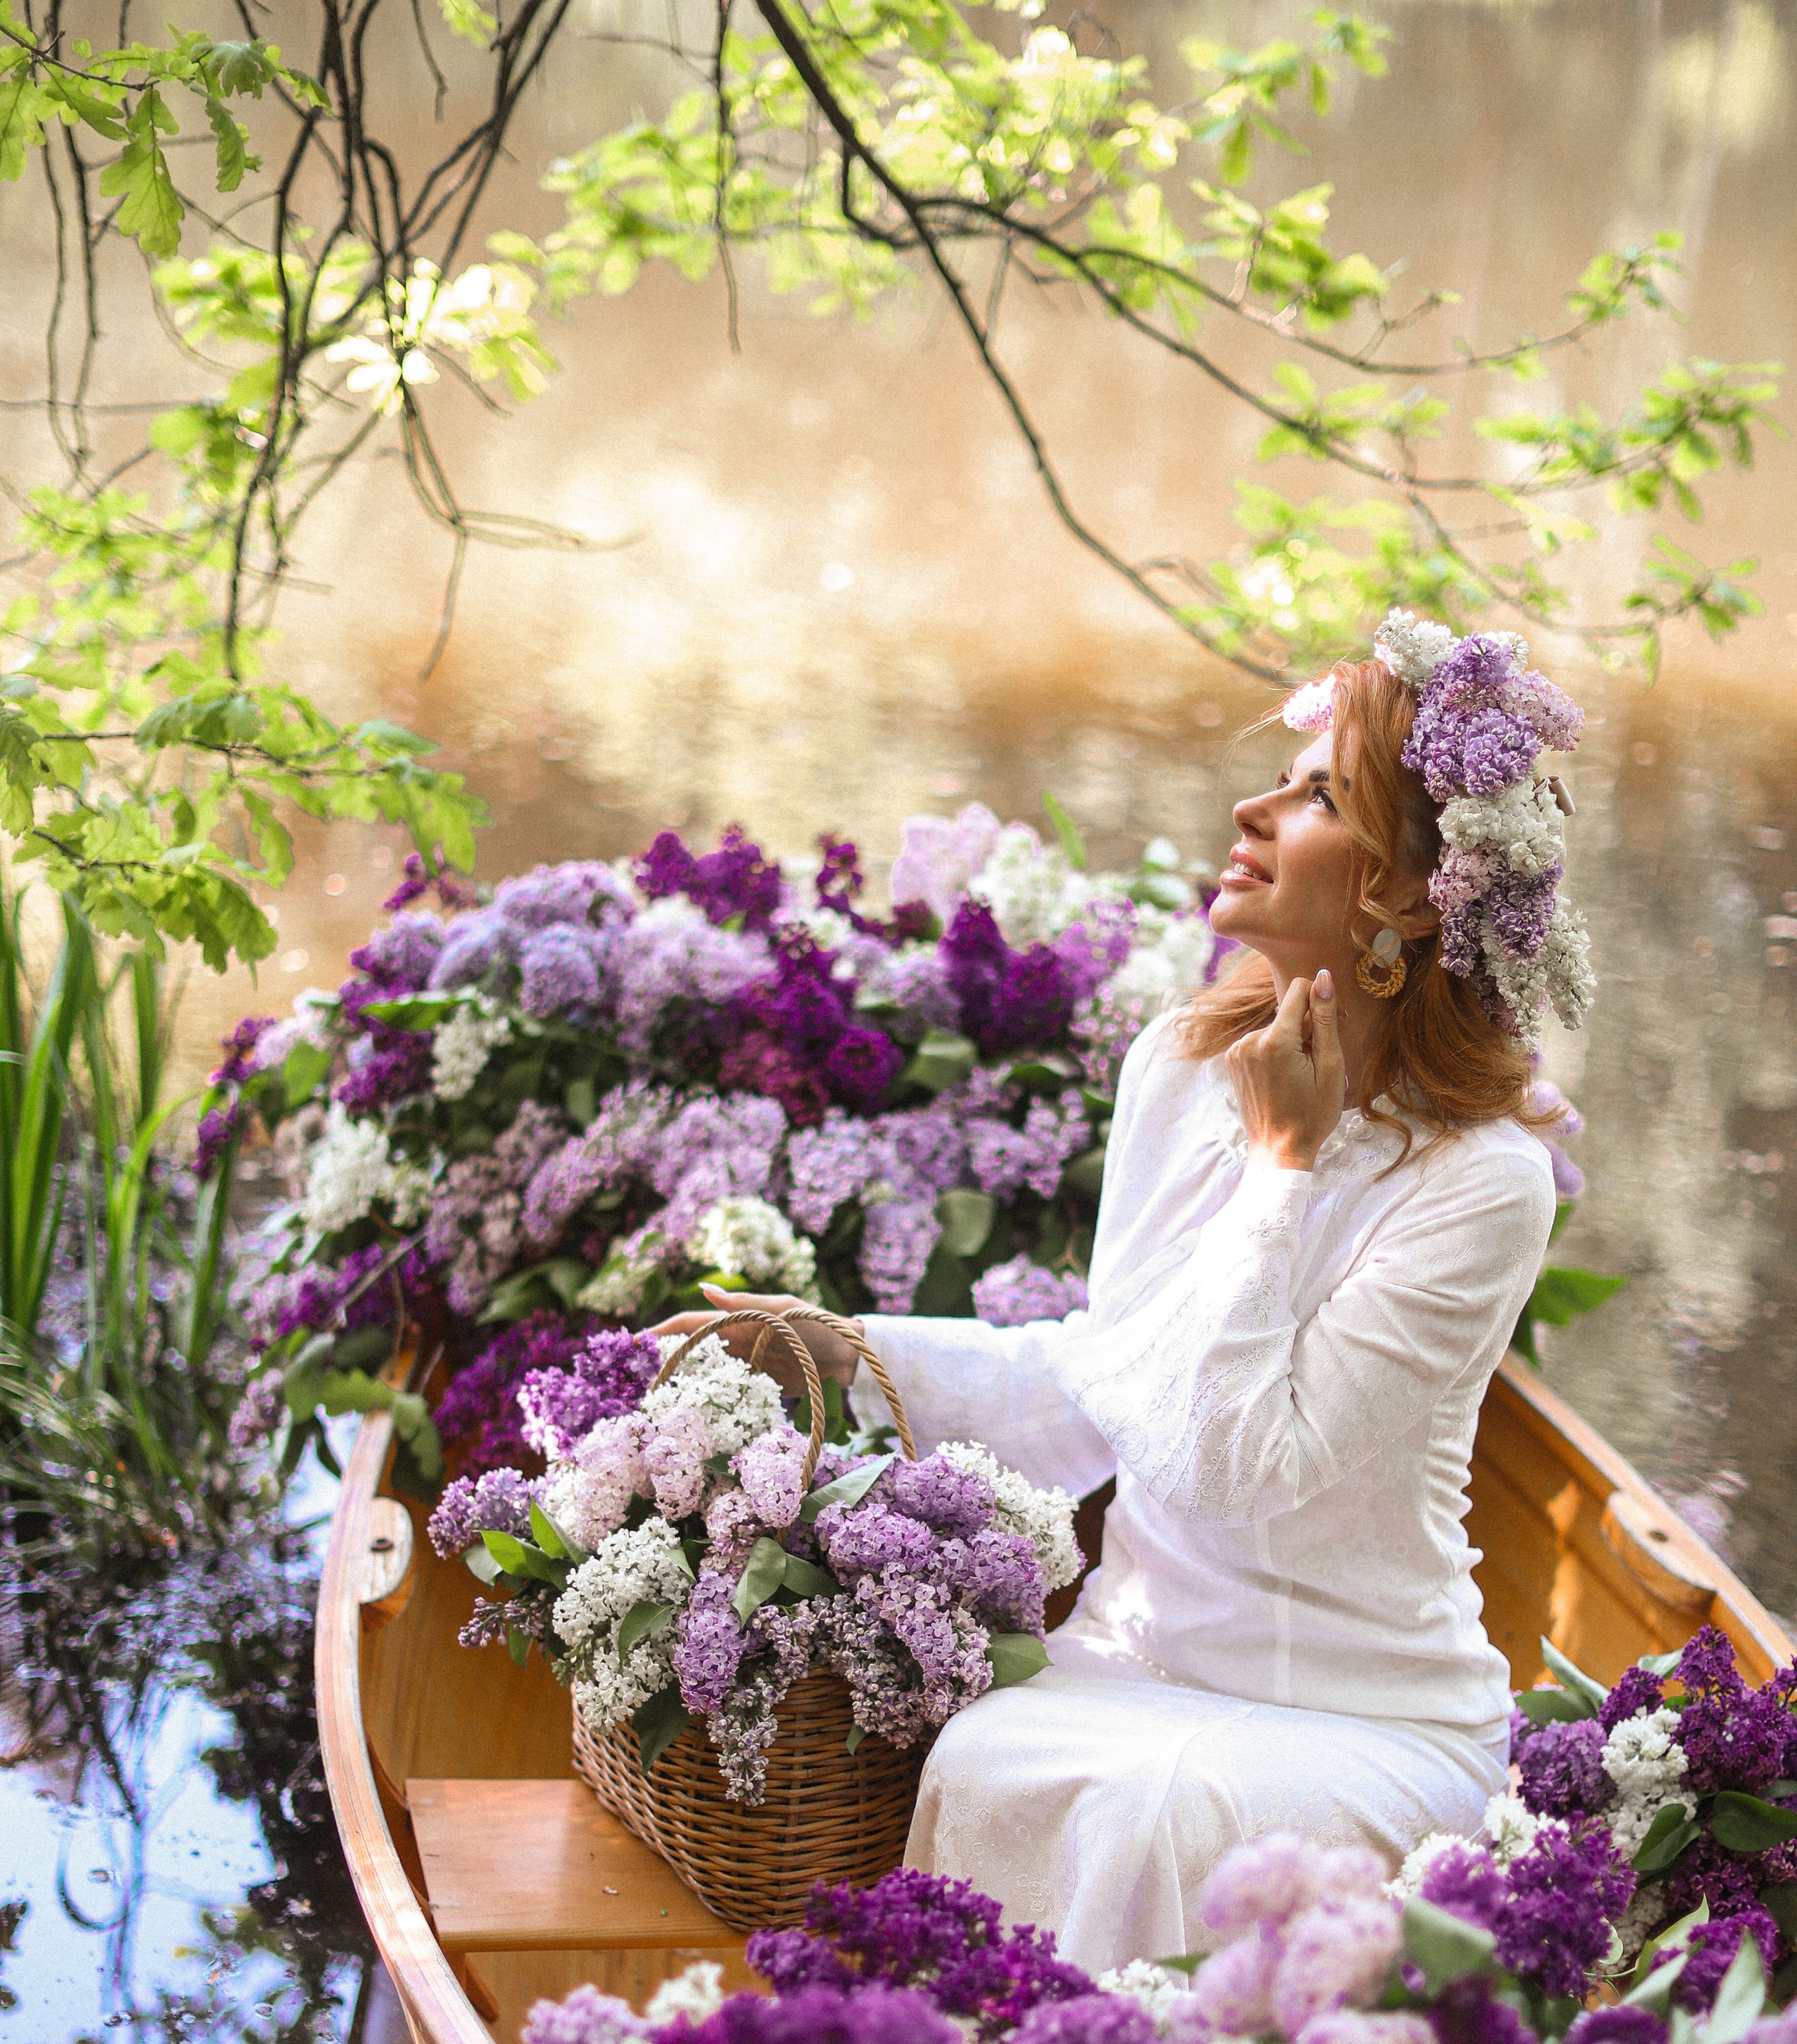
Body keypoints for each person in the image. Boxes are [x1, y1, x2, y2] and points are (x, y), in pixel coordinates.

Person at [658, 614, 1593, 1970]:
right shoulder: (1178, 1067)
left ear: (1406, 893)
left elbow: (1239, 1462)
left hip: (1365, 1715)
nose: (1252, 806)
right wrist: (853, 1353)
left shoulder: (1482, 1182)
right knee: (990, 1760)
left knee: (1153, 1819)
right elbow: (1119, 1373)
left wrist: (1286, 1170)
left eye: (1319, 796)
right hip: (1130, 1663)